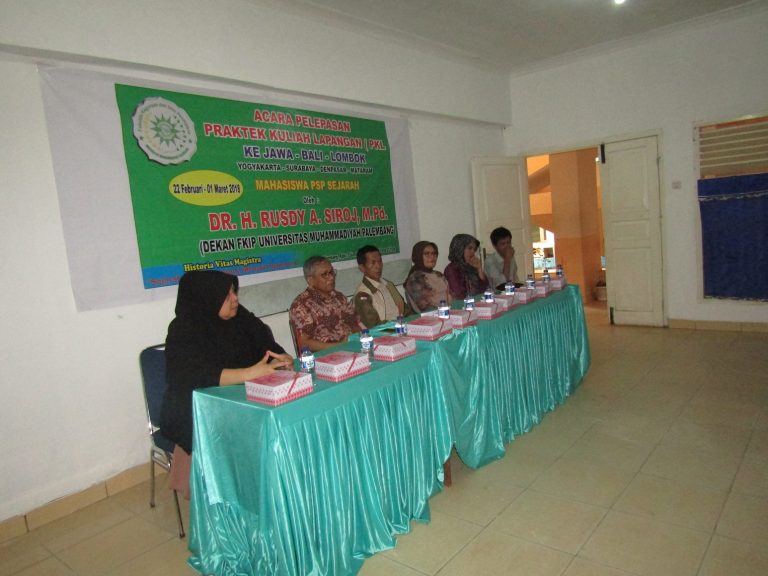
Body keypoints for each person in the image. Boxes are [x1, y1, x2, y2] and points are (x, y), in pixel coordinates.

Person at [160, 270, 292, 499]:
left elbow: (267, 344)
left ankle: (281, 483)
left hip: (243, 394)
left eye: (234, 292)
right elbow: (192, 375)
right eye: (227, 294)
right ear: (208, 297)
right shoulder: (183, 329)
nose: (235, 299)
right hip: (198, 404)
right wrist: (248, 373)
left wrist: (282, 357)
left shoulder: (240, 317)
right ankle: (237, 493)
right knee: (252, 428)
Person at [290, 256, 361, 352]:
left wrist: (360, 340)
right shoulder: (301, 305)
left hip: (351, 349)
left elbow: (355, 325)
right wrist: (340, 346)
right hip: (325, 356)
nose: (331, 277)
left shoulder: (339, 297)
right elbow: (304, 343)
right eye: (324, 274)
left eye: (331, 272)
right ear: (310, 280)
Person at [354, 245, 412, 328]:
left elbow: (406, 311)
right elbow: (375, 326)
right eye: (373, 263)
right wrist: (400, 326)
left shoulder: (388, 284)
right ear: (362, 268)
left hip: (401, 327)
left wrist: (414, 323)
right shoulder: (362, 295)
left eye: (380, 261)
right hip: (385, 333)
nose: (378, 266)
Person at [403, 240, 450, 313]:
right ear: (418, 256)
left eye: (434, 253)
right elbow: (426, 309)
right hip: (432, 316)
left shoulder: (438, 274)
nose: (432, 257)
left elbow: (450, 296)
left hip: (448, 312)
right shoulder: (415, 279)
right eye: (426, 254)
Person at [444, 233, 489, 301]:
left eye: (474, 249)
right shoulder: (452, 269)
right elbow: (459, 296)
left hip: (478, 303)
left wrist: (479, 269)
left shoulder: (472, 266)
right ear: (459, 249)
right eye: (470, 248)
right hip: (463, 305)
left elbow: (487, 289)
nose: (473, 252)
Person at [484, 226, 519, 290]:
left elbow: (514, 278)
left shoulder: (510, 257)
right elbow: (502, 284)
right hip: (497, 293)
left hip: (511, 291)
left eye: (509, 242)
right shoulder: (490, 261)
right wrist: (507, 260)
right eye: (503, 244)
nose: (507, 247)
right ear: (494, 246)